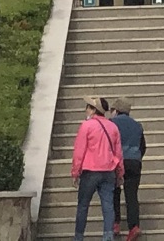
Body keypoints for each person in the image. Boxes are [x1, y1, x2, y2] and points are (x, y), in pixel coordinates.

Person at [70, 95, 122, 241]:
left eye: (88, 107)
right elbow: (118, 153)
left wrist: (75, 172)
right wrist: (120, 173)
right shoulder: (113, 127)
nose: (86, 109)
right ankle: (108, 236)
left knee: (83, 205)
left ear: (93, 110)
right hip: (109, 170)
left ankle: (79, 237)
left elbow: (79, 151)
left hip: (90, 171)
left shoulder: (86, 126)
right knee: (108, 205)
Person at [108, 99, 146, 239]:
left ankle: (115, 223)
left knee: (114, 192)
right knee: (131, 196)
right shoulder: (137, 125)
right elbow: (143, 146)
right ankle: (134, 226)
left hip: (117, 162)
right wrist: (137, 157)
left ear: (116, 111)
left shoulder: (112, 124)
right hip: (135, 162)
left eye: (112, 111)